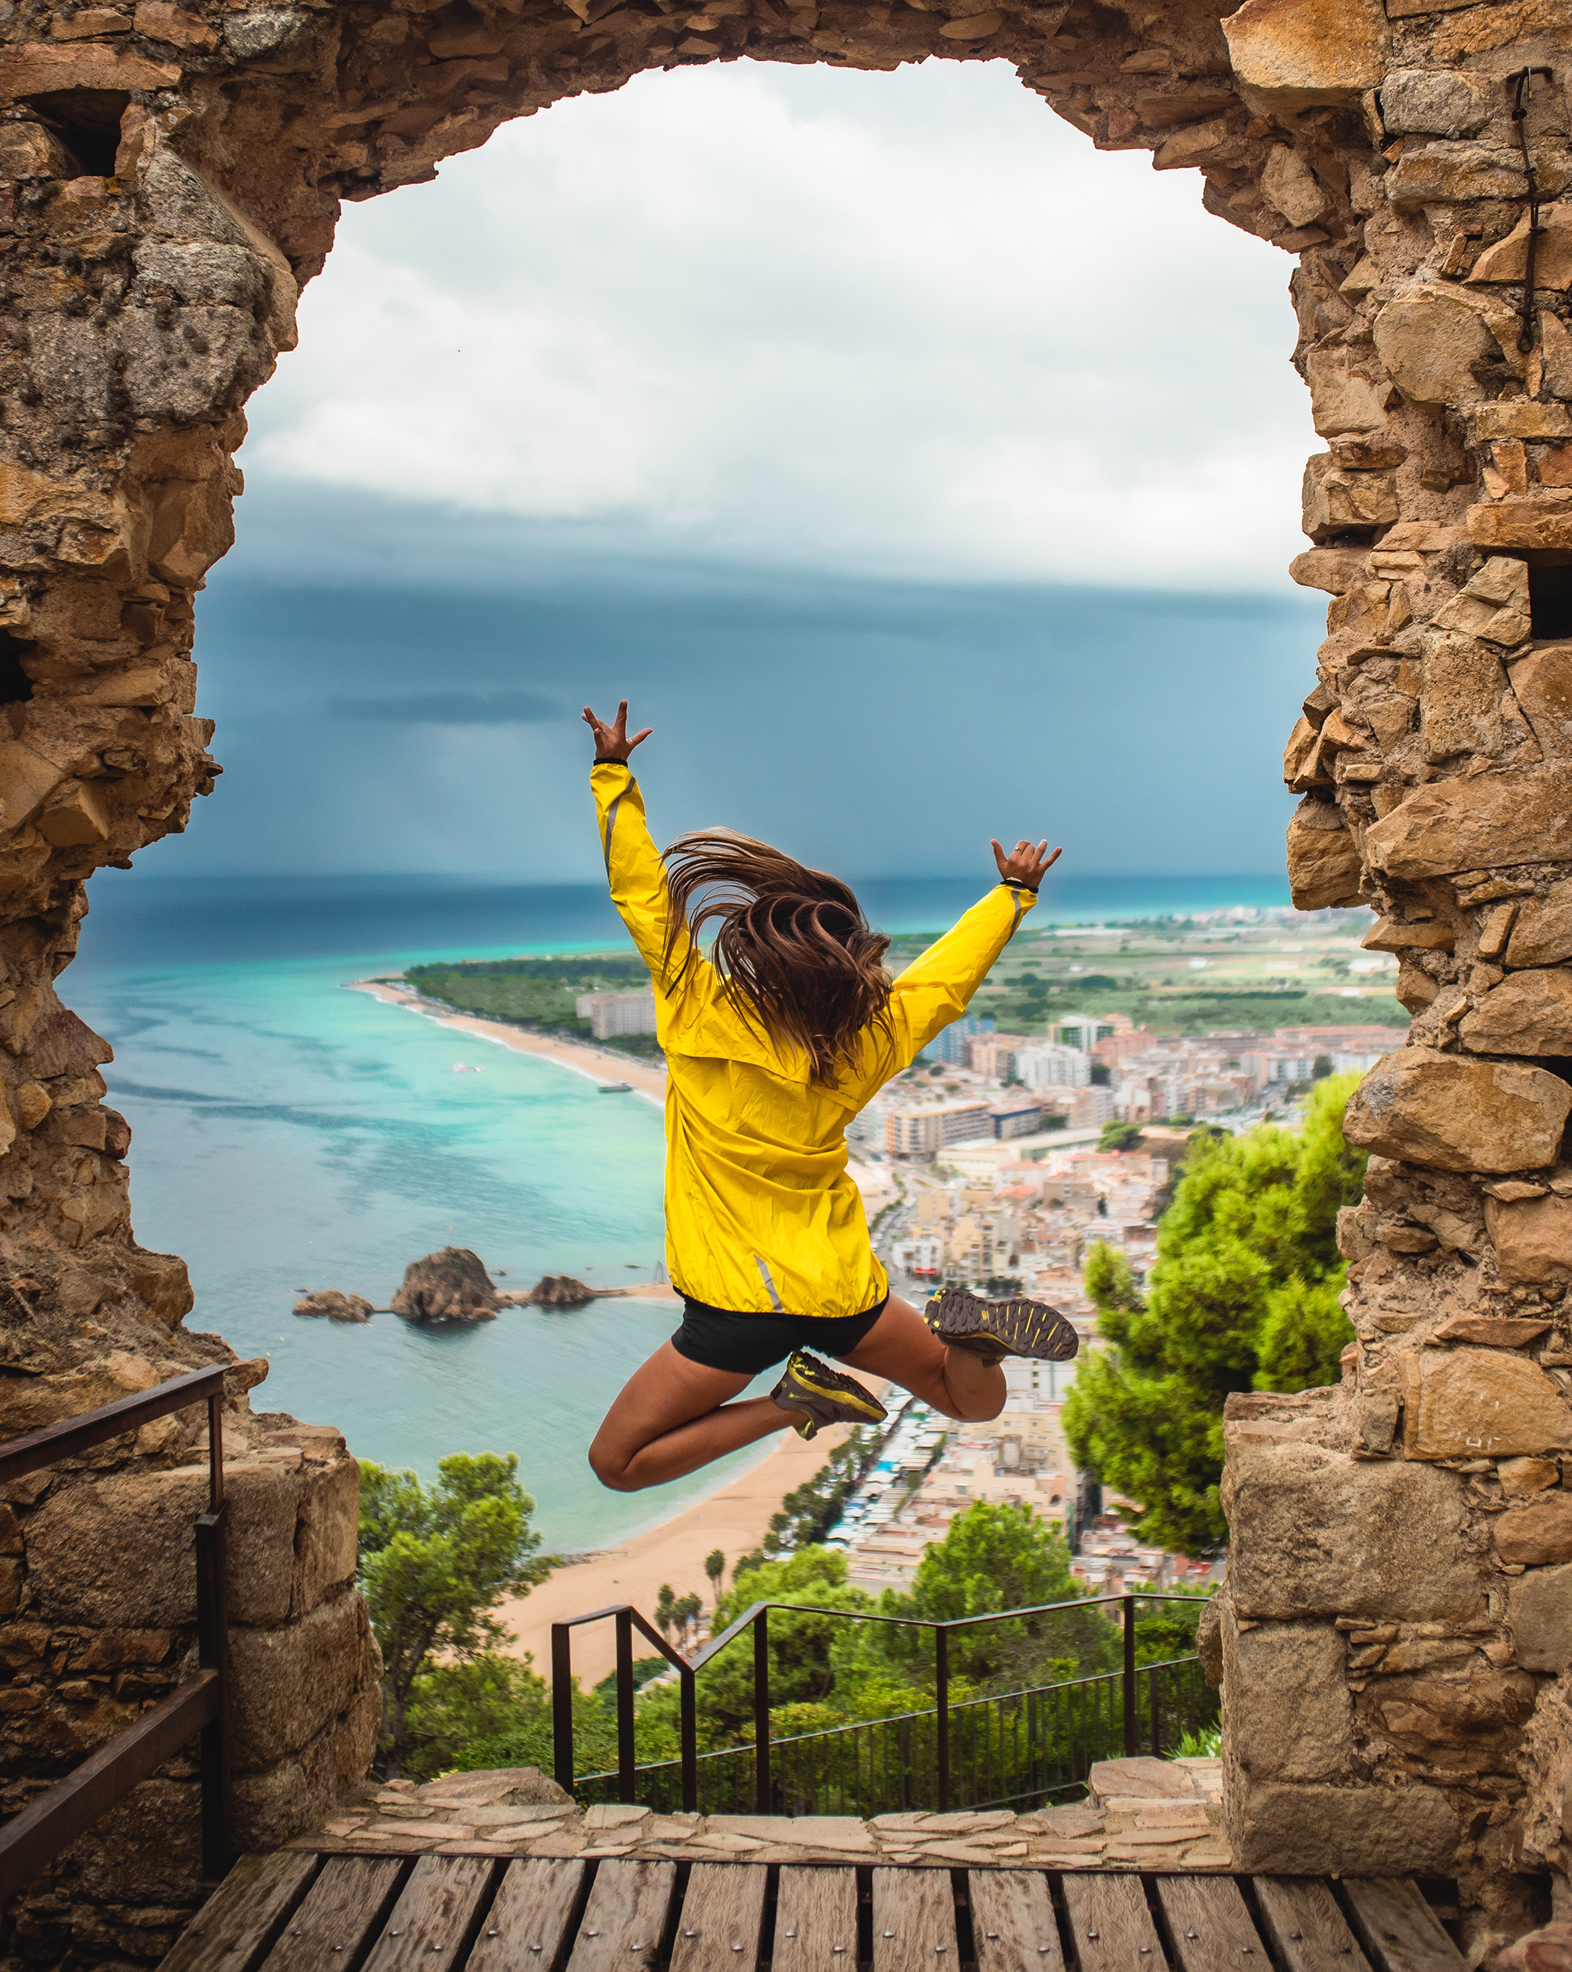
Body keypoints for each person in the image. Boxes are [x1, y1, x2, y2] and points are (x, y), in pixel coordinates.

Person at [582, 700, 1079, 1494]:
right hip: (843, 1290)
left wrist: (614, 776)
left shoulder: (699, 1010)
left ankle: (793, 1403)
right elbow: (943, 985)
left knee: (618, 1465)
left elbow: (643, 898)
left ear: (759, 952)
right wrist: (1010, 895)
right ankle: (979, 1347)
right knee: (965, 1402)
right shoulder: (867, 1042)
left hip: (739, 1303)